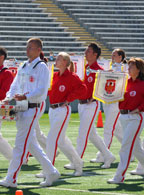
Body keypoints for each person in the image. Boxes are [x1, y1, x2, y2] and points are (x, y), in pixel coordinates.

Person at [0, 37, 60, 188]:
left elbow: (42, 90)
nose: (27, 50)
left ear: (38, 50)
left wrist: (26, 96)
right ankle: (51, 171)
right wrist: (7, 98)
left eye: (31, 47)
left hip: (33, 106)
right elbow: (15, 84)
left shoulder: (42, 67)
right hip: (21, 106)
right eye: (27, 47)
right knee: (30, 143)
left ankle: (11, 177)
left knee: (20, 143)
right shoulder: (24, 65)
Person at [107, 57, 144, 184]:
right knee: (136, 148)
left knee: (125, 146)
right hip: (124, 117)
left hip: (134, 119)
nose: (128, 68)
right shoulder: (125, 82)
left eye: (131, 66)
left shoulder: (143, 85)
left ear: (138, 70)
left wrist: (140, 109)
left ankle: (119, 176)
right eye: (129, 66)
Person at [65, 42, 116, 170]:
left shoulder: (99, 70)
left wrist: (94, 96)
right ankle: (108, 155)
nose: (85, 53)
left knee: (82, 133)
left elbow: (105, 88)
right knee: (92, 134)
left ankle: (76, 161)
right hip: (82, 104)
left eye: (88, 51)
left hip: (91, 104)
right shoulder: (84, 68)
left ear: (95, 54)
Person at [43, 52, 86, 177]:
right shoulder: (55, 75)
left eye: (59, 59)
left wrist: (69, 99)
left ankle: (48, 169)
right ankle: (78, 163)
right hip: (52, 109)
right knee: (61, 141)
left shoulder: (72, 76)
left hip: (62, 109)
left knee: (51, 138)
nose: (56, 61)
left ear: (65, 63)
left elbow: (83, 89)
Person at [90, 48, 124, 163]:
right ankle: (132, 151)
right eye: (112, 55)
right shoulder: (111, 67)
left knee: (108, 129)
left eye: (115, 55)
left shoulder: (124, 69)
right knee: (117, 130)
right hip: (108, 100)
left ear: (120, 57)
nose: (112, 57)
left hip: (115, 102)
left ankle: (103, 155)